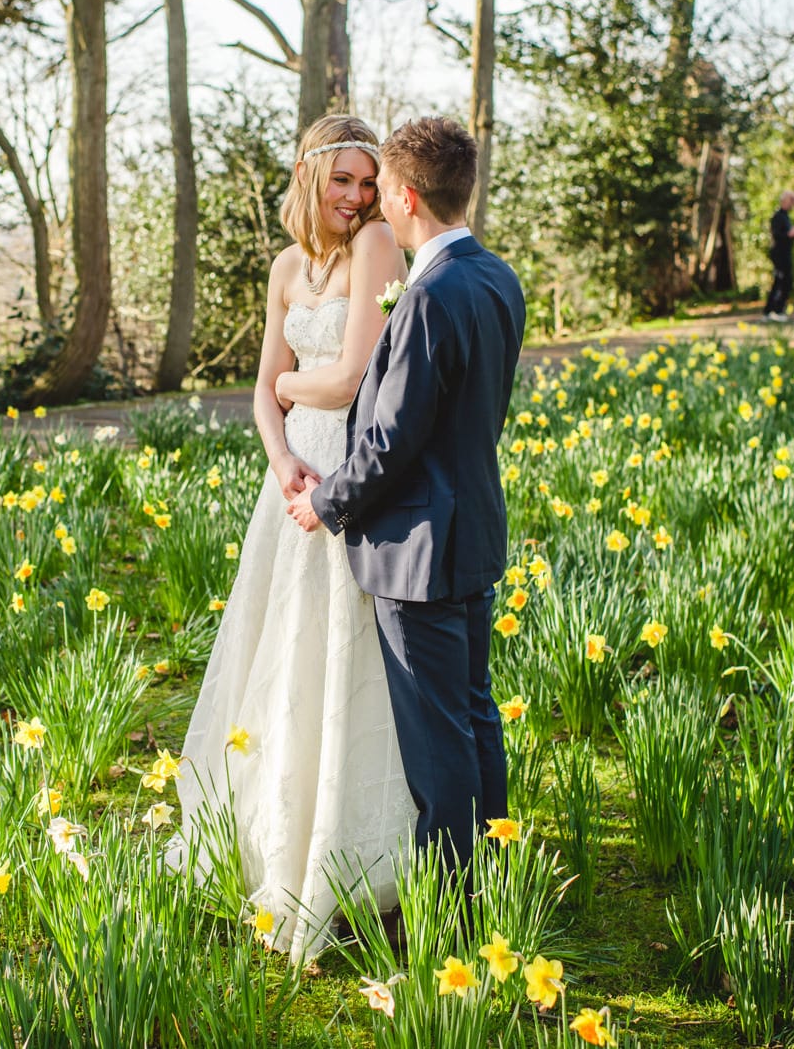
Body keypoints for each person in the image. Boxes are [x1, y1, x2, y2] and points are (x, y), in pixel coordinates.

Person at [172, 115, 415, 964]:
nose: (357, 197)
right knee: (279, 651)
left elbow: (349, 376)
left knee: (344, 655)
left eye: (367, 180)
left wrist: (285, 382)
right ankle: (272, 831)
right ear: (310, 177)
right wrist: (278, 458)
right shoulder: (285, 267)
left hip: (349, 473)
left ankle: (351, 854)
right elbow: (262, 395)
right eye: (343, 180)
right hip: (292, 483)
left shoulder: (378, 246)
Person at [289, 117, 527, 877]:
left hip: (416, 551)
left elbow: (392, 441)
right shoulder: (496, 277)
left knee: (437, 742)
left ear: (408, 194)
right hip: (473, 534)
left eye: (382, 189)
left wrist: (325, 506)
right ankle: (493, 867)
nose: (374, 205)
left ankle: (453, 899)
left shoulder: (428, 295)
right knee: (475, 714)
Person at [763, 189, 794, 323]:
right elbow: (776, 235)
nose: (793, 204)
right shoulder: (778, 216)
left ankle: (776, 310)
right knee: (780, 282)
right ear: (784, 200)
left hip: (785, 254)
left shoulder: (786, 217)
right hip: (779, 255)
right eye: (791, 200)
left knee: (786, 282)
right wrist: (789, 235)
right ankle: (773, 310)